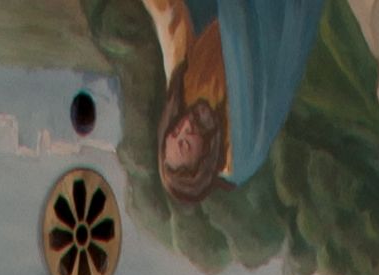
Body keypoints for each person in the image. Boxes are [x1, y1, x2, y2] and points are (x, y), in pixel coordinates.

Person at [141, 0, 331, 201]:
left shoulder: (180, 94)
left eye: (175, 131)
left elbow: (171, 19)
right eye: (186, 144)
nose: (185, 126)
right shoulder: (239, 151)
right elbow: (243, 39)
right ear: (202, 164)